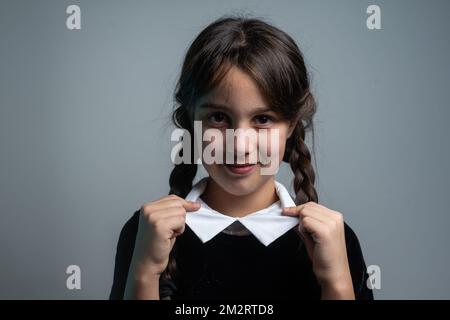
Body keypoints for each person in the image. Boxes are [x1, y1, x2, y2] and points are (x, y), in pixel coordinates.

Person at [109, 15, 374, 300]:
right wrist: (145, 272)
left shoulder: (334, 239)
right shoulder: (146, 232)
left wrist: (337, 284)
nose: (240, 145)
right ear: (190, 118)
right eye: (219, 117)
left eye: (263, 119)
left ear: (292, 125)